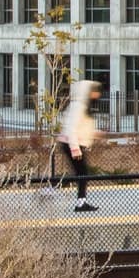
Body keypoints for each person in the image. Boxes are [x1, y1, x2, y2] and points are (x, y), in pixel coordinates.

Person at [57, 78, 102, 212]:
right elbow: (71, 128)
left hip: (74, 144)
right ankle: (80, 203)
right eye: (95, 92)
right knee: (82, 173)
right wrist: (75, 148)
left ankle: (80, 202)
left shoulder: (84, 107)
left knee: (80, 173)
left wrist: (94, 134)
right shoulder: (79, 106)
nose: (97, 95)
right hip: (72, 145)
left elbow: (82, 127)